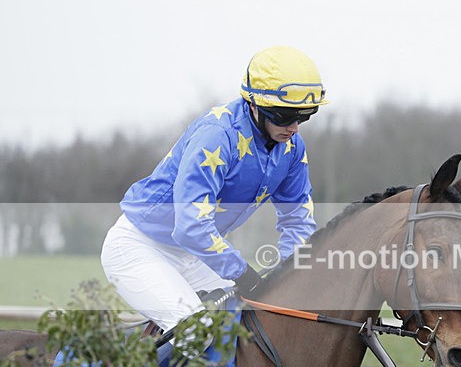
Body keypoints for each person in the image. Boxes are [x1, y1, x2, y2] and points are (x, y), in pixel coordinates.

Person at [101, 46, 326, 333]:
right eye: (284, 116)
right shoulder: (217, 136)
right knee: (198, 333)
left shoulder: (293, 148)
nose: (293, 128)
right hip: (141, 249)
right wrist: (242, 272)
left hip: (195, 257)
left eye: (303, 116)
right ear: (254, 105)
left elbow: (297, 220)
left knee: (250, 327)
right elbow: (190, 226)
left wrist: (291, 276)